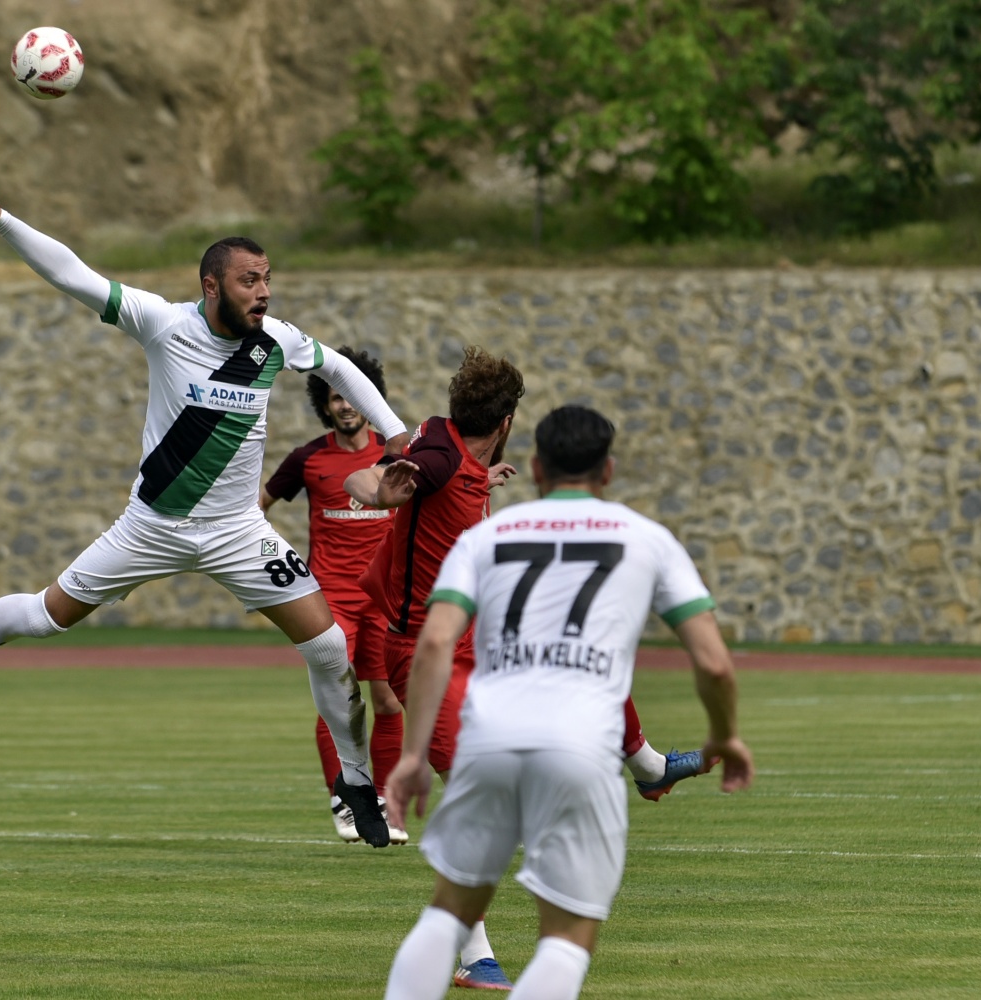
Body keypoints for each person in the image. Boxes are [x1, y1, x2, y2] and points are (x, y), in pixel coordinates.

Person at [0, 189, 410, 847]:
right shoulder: (162, 322)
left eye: (268, 279)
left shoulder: (276, 342)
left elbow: (341, 368)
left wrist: (395, 432)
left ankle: (355, 784)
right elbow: (73, 274)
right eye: (249, 281)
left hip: (238, 532)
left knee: (327, 648)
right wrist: (2, 220)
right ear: (211, 286)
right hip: (152, 526)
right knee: (45, 616)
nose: (264, 292)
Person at [381, 405, 755, 1000]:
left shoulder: (486, 537)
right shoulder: (646, 538)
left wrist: (412, 755)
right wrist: (725, 734)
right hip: (580, 744)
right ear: (608, 471)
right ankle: (649, 767)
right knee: (565, 939)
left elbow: (432, 642)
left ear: (534, 468)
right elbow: (713, 662)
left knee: (447, 911)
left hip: (489, 738)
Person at [345, 345, 525, 988]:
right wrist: (377, 493)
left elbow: (433, 474)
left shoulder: (448, 446)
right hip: (421, 654)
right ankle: (471, 952)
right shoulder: (439, 459)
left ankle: (642, 761)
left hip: (464, 645)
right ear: (505, 421)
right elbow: (369, 478)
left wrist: (481, 480)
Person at [260, 347, 406, 845]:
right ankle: (344, 802)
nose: (345, 405)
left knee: (388, 701)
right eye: (335, 397)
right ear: (324, 405)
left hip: (383, 601)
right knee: (338, 697)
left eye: (352, 396)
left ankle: (385, 805)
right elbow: (256, 506)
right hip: (331, 601)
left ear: (371, 399)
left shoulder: (396, 457)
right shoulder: (307, 458)